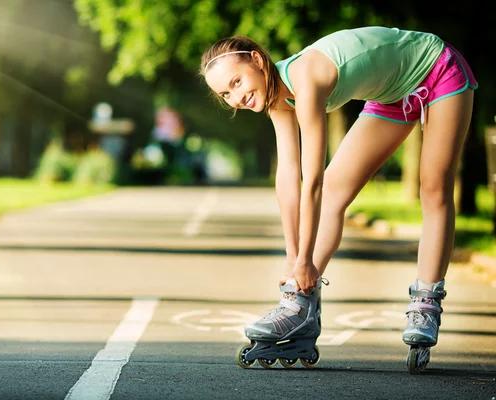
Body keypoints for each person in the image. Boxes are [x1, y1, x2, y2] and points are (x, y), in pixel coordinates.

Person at [200, 26, 477, 370]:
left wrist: (304, 258)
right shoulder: (277, 102)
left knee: (433, 186)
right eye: (225, 94)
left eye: (237, 83)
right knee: (336, 189)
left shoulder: (307, 79)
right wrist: (293, 261)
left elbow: (310, 179)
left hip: (437, 68)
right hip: (392, 94)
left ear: (256, 61)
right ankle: (299, 304)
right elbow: (288, 178)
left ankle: (426, 304)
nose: (236, 98)